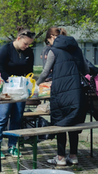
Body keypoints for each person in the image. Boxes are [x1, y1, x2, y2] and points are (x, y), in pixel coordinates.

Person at [36, 28, 88, 166]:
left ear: (52, 37)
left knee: (60, 123)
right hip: (76, 93)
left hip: (60, 92)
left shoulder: (53, 51)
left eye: (48, 41)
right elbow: (86, 69)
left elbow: (45, 72)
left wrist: (36, 84)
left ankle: (60, 157)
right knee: (73, 123)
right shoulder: (77, 50)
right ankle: (73, 156)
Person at [0, 28, 35, 159]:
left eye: (29, 44)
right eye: (25, 43)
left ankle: (12, 146)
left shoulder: (29, 52)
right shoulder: (6, 49)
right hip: (7, 88)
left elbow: (29, 70)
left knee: (17, 117)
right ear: (18, 39)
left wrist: (27, 82)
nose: (27, 46)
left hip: (21, 88)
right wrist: (9, 79)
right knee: (2, 117)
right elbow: (0, 69)